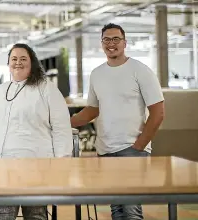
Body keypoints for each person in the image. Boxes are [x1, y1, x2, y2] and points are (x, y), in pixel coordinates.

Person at [0, 43, 73, 220]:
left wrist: (62, 166)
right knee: (0, 216)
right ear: (8, 63)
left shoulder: (46, 89)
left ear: (32, 63)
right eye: (14, 59)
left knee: (35, 216)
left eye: (23, 59)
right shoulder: (2, 90)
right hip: (0, 168)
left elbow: (62, 128)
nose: (18, 62)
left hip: (35, 167)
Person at [70, 23, 165, 220]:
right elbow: (91, 110)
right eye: (107, 39)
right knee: (116, 208)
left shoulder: (140, 70)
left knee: (131, 210)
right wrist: (62, 121)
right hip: (105, 149)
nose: (111, 43)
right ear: (101, 43)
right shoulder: (97, 73)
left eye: (116, 39)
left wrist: (140, 145)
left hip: (132, 149)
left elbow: (158, 112)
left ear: (125, 43)